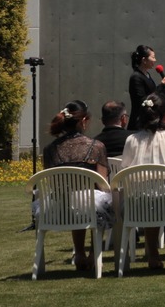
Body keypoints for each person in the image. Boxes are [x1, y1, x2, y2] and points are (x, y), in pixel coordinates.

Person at [121, 92, 165, 270]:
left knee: (148, 200)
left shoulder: (132, 140)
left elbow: (126, 168)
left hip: (138, 202)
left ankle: (152, 254)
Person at [42, 99, 114, 273]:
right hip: (88, 206)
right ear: (83, 121)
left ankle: (79, 253)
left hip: (57, 208)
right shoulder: (96, 146)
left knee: (75, 199)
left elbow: (52, 182)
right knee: (97, 199)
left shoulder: (49, 149)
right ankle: (92, 252)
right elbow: (102, 183)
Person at [127, 45, 165, 130]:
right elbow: (142, 100)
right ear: (144, 60)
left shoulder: (146, 75)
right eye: (153, 57)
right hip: (139, 122)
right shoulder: (136, 77)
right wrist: (159, 88)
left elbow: (151, 92)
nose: (155, 60)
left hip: (149, 120)